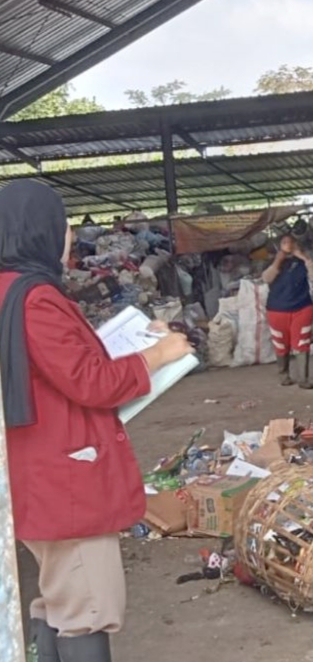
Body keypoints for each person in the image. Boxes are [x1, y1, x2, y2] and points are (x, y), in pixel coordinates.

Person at [0, 180, 193, 661]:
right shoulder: (34, 297)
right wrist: (157, 355)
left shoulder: (11, 290)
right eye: (62, 225)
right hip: (65, 475)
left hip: (33, 469)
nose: (68, 235)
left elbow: (57, 366)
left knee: (58, 599)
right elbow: (90, 381)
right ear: (40, 231)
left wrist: (137, 344)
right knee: (89, 607)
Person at [262, 234, 313, 388]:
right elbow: (267, 279)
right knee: (281, 344)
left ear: (296, 245)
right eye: (284, 242)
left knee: (302, 342)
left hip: (302, 308)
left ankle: (303, 379)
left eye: (291, 242)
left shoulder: (303, 262)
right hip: (276, 310)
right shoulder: (272, 262)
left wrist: (303, 257)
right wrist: (278, 260)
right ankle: (284, 375)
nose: (288, 245)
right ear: (278, 246)